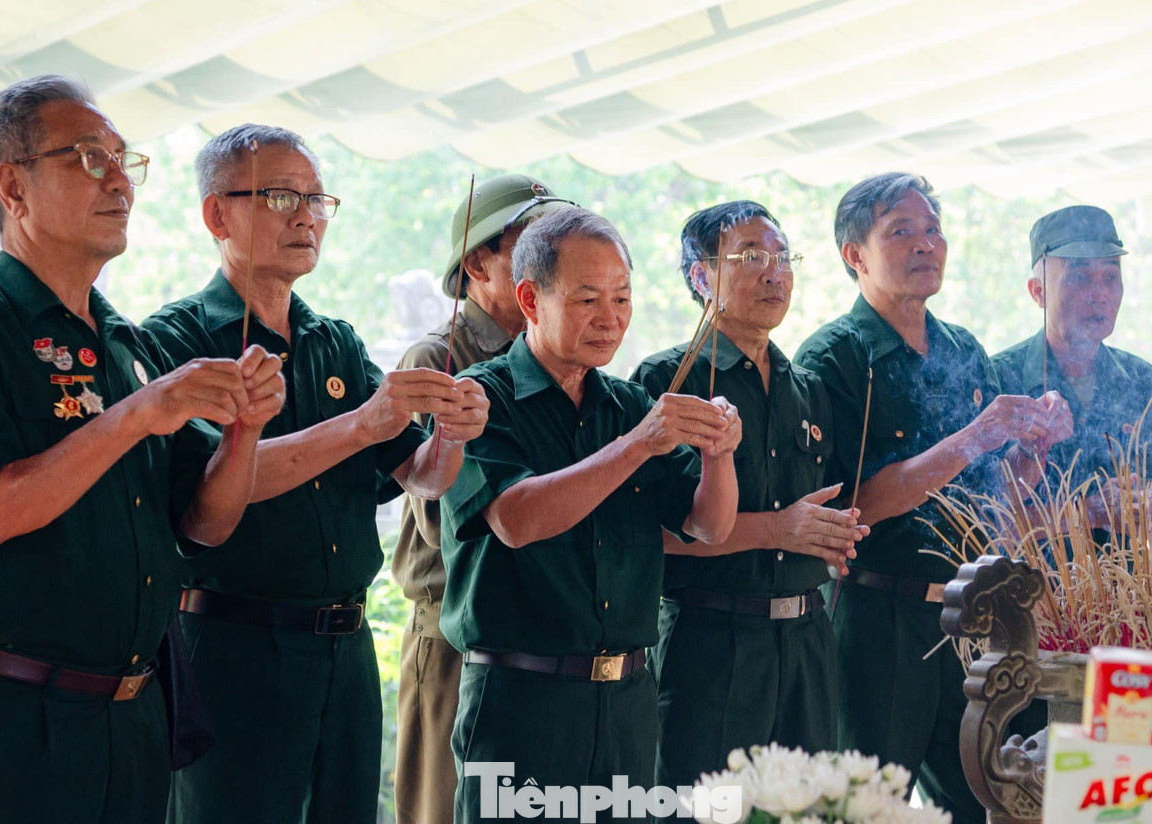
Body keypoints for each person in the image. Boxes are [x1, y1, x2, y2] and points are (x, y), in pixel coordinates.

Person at [0, 76, 283, 824]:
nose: (120, 181)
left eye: (123, 159)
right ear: (13, 188)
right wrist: (143, 411)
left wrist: (244, 432)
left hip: (132, 716)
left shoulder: (125, 344)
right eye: (88, 158)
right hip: (14, 719)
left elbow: (203, 523)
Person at [142, 125, 487, 824]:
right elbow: (211, 498)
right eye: (278, 197)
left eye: (317, 200)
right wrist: (364, 421)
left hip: (347, 648)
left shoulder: (334, 340)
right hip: (235, 647)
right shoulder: (175, 340)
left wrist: (452, 431)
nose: (305, 216)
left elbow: (418, 476)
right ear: (217, 215)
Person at [439, 208, 741, 823]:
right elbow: (516, 520)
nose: (611, 319)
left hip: (628, 699)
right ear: (530, 298)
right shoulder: (478, 396)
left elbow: (709, 527)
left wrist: (720, 455)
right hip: (521, 701)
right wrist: (639, 445)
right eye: (587, 300)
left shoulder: (628, 403)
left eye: (623, 298)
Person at [794, 172, 1071, 824]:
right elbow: (850, 507)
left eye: (934, 231)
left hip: (968, 623)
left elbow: (995, 501)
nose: (927, 246)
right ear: (854, 255)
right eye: (902, 233)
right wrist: (978, 434)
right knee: (864, 808)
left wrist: (1032, 448)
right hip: (876, 616)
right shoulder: (836, 357)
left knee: (985, 804)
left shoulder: (963, 349)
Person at [631, 200, 867, 791]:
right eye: (753, 256)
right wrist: (777, 530)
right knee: (706, 806)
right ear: (701, 276)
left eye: (784, 257)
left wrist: (832, 538)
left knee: (807, 807)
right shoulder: (667, 382)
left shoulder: (806, 388)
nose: (775, 272)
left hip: (808, 641)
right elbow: (649, 538)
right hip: (711, 644)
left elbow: (812, 512)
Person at [390, 174, 578, 824]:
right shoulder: (440, 359)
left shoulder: (562, 362)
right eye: (537, 245)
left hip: (544, 638)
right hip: (456, 635)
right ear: (477, 263)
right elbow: (441, 503)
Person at [992, 205, 1152, 529]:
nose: (1099, 294)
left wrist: (1148, 510)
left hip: (1125, 581)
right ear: (1038, 291)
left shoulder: (1142, 381)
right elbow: (977, 521)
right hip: (1028, 581)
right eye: (1081, 278)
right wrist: (1084, 513)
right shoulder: (1000, 379)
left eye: (1110, 277)